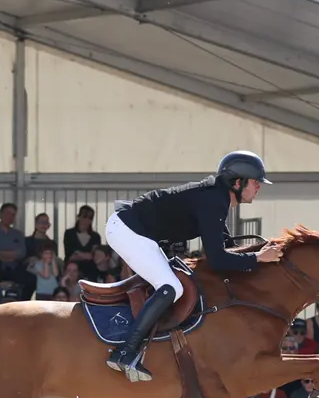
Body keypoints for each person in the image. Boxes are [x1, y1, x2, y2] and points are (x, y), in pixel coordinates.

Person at [102, 151, 279, 381]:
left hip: (135, 230)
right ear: (238, 182)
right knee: (171, 287)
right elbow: (218, 260)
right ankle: (125, 352)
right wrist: (258, 259)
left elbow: (225, 245)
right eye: (256, 182)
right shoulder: (213, 201)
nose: (258, 188)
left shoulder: (216, 198)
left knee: (174, 283)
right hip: (128, 231)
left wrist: (259, 253)